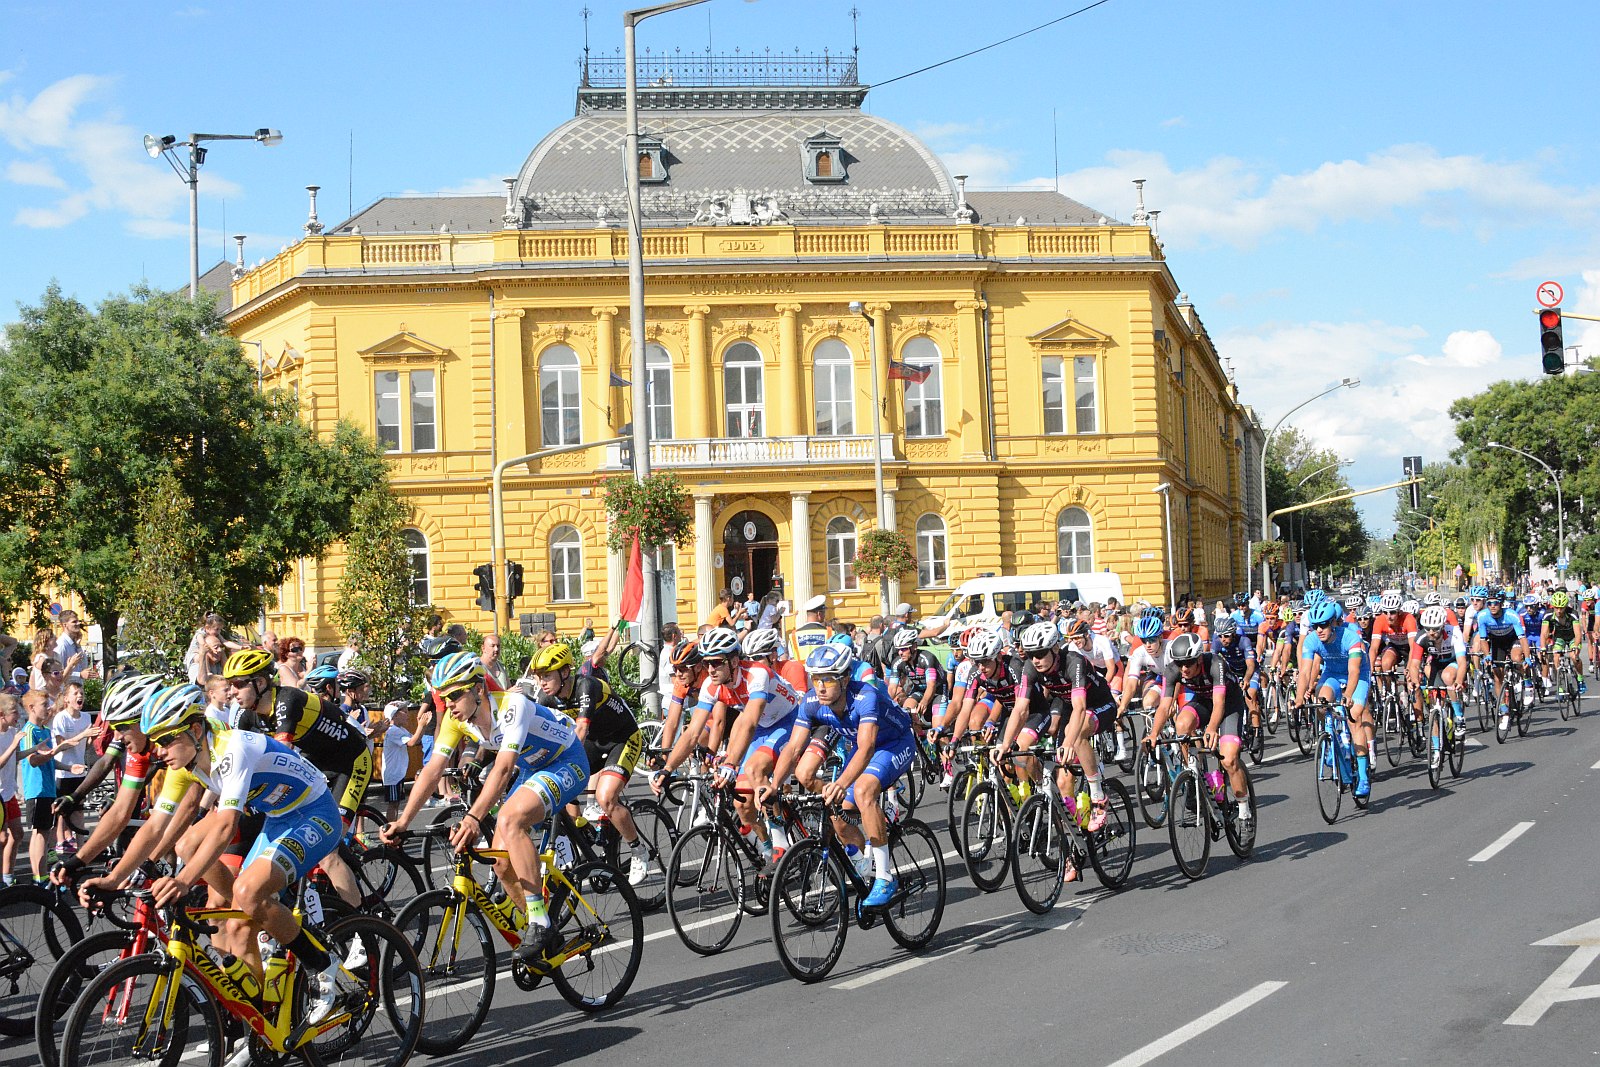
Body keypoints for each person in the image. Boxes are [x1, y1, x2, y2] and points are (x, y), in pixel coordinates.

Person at [135, 682, 359, 1028]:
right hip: (278, 818)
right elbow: (159, 826)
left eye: (165, 740)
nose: (159, 751)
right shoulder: (189, 764)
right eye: (155, 742)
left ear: (195, 730)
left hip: (315, 812)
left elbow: (227, 826)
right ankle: (260, 1029)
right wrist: (127, 873)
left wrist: (182, 881)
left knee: (247, 892)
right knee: (238, 923)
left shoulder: (232, 748)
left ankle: (320, 963)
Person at [387, 652, 589, 968]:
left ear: (478, 689)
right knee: (500, 862)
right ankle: (541, 928)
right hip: (533, 767)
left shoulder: (512, 706)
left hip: (566, 760)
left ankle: (540, 921)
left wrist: (473, 818)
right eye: (444, 697)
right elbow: (432, 771)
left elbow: (504, 768)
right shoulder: (456, 720)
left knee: (510, 820)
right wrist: (403, 821)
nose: (449, 704)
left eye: (455, 695)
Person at [761, 642, 914, 909]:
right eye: (816, 679)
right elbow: (794, 747)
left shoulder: (865, 696)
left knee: (864, 790)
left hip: (894, 743)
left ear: (844, 679)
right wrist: (775, 785)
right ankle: (863, 861)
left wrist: (841, 783)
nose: (820, 686)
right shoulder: (812, 701)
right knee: (837, 813)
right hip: (863, 748)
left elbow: (866, 747)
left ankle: (885, 877)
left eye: (828, 679)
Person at [524, 642, 654, 884]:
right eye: (539, 677)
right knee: (560, 786)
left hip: (622, 739)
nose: (542, 682)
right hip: (595, 742)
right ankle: (582, 830)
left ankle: (638, 850)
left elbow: (581, 729)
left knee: (606, 798)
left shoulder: (586, 685)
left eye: (547, 676)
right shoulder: (546, 697)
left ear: (565, 672)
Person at [1143, 631, 1253, 826]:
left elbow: (1219, 703)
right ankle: (1194, 774)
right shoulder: (1173, 669)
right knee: (1182, 724)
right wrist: (1153, 734)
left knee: (1228, 760)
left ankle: (1245, 813)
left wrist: (1212, 728)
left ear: (1199, 659)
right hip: (1203, 701)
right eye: (1180, 663)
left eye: (1188, 663)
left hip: (1229, 704)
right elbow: (1165, 706)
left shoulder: (1215, 664)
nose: (1184, 668)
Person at [1295, 599, 1374, 799]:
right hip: (1332, 674)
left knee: (1354, 716)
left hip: (1357, 675)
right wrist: (1298, 698)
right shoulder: (1311, 640)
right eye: (1315, 626)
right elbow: (1305, 672)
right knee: (1321, 703)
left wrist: (1348, 695)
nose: (1319, 630)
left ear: (1332, 623)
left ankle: (1363, 776)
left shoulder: (1350, 637)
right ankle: (1332, 740)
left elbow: (1354, 671)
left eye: (1323, 625)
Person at [0, 695, 22, 883]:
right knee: (2, 838)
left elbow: (15, 757)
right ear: (2, 714)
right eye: (14, 712)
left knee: (18, 834)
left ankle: (8, 876)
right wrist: (14, 744)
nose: (18, 715)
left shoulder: (12, 732)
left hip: (8, 792)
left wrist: (38, 750)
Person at [54, 610, 98, 684]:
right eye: (74, 622)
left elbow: (84, 667)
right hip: (66, 689)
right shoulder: (61, 645)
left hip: (78, 687)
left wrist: (78, 646)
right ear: (65, 625)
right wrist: (79, 675)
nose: (78, 624)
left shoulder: (74, 643)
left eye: (78, 621)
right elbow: (57, 673)